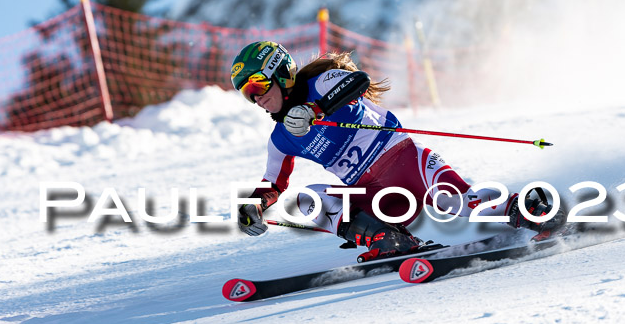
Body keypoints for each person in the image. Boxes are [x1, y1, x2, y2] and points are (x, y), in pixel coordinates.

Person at [231, 41, 564, 260]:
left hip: (405, 160)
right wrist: (254, 205)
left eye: (258, 85)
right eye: (248, 93)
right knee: (307, 200)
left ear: (281, 73)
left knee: (463, 204)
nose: (256, 97)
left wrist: (316, 110)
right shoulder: (280, 138)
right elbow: (273, 184)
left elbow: (357, 81)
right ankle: (387, 239)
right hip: (374, 193)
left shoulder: (321, 83)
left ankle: (534, 210)